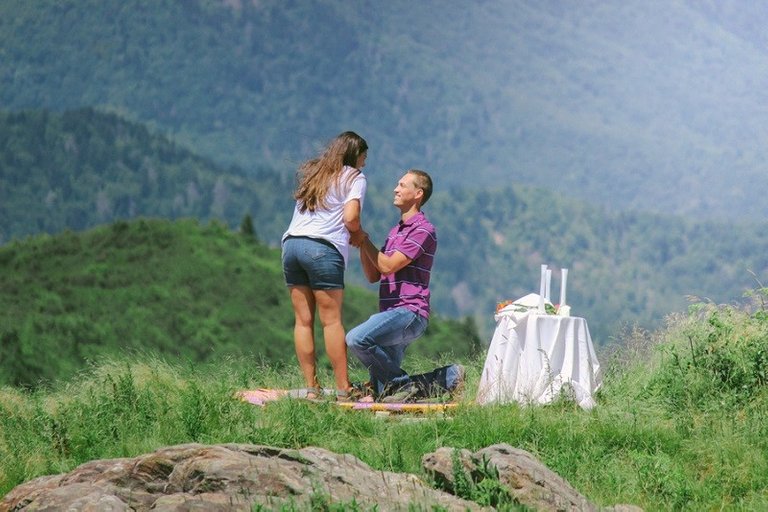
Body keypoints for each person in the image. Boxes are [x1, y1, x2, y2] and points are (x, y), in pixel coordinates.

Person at [346, 169, 464, 402]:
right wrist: (361, 244)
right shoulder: (395, 232)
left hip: (409, 311)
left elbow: (388, 266)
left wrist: (365, 240)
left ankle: (401, 383)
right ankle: (451, 377)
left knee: (356, 339)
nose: (395, 189)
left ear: (418, 193)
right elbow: (374, 274)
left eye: (402, 185)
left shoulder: (423, 230)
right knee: (386, 394)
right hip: (392, 311)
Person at [281, 131, 369, 400]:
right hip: (323, 248)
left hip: (291, 245)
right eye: (364, 157)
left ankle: (312, 388)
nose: (365, 163)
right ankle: (343, 388)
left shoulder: (315, 173)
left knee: (303, 321)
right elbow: (350, 216)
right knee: (331, 322)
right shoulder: (354, 177)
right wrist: (358, 234)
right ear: (356, 155)